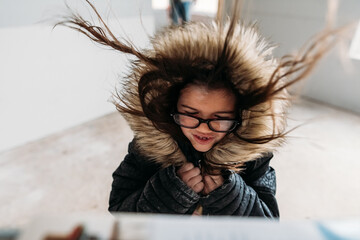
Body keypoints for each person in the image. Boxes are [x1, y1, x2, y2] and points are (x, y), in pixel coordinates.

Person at [58, 1, 340, 217]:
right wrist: (170, 190)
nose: (203, 128)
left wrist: (230, 192)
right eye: (190, 115)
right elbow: (118, 210)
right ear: (171, 107)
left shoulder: (254, 155)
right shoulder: (147, 148)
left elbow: (267, 224)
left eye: (219, 119)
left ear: (240, 117)